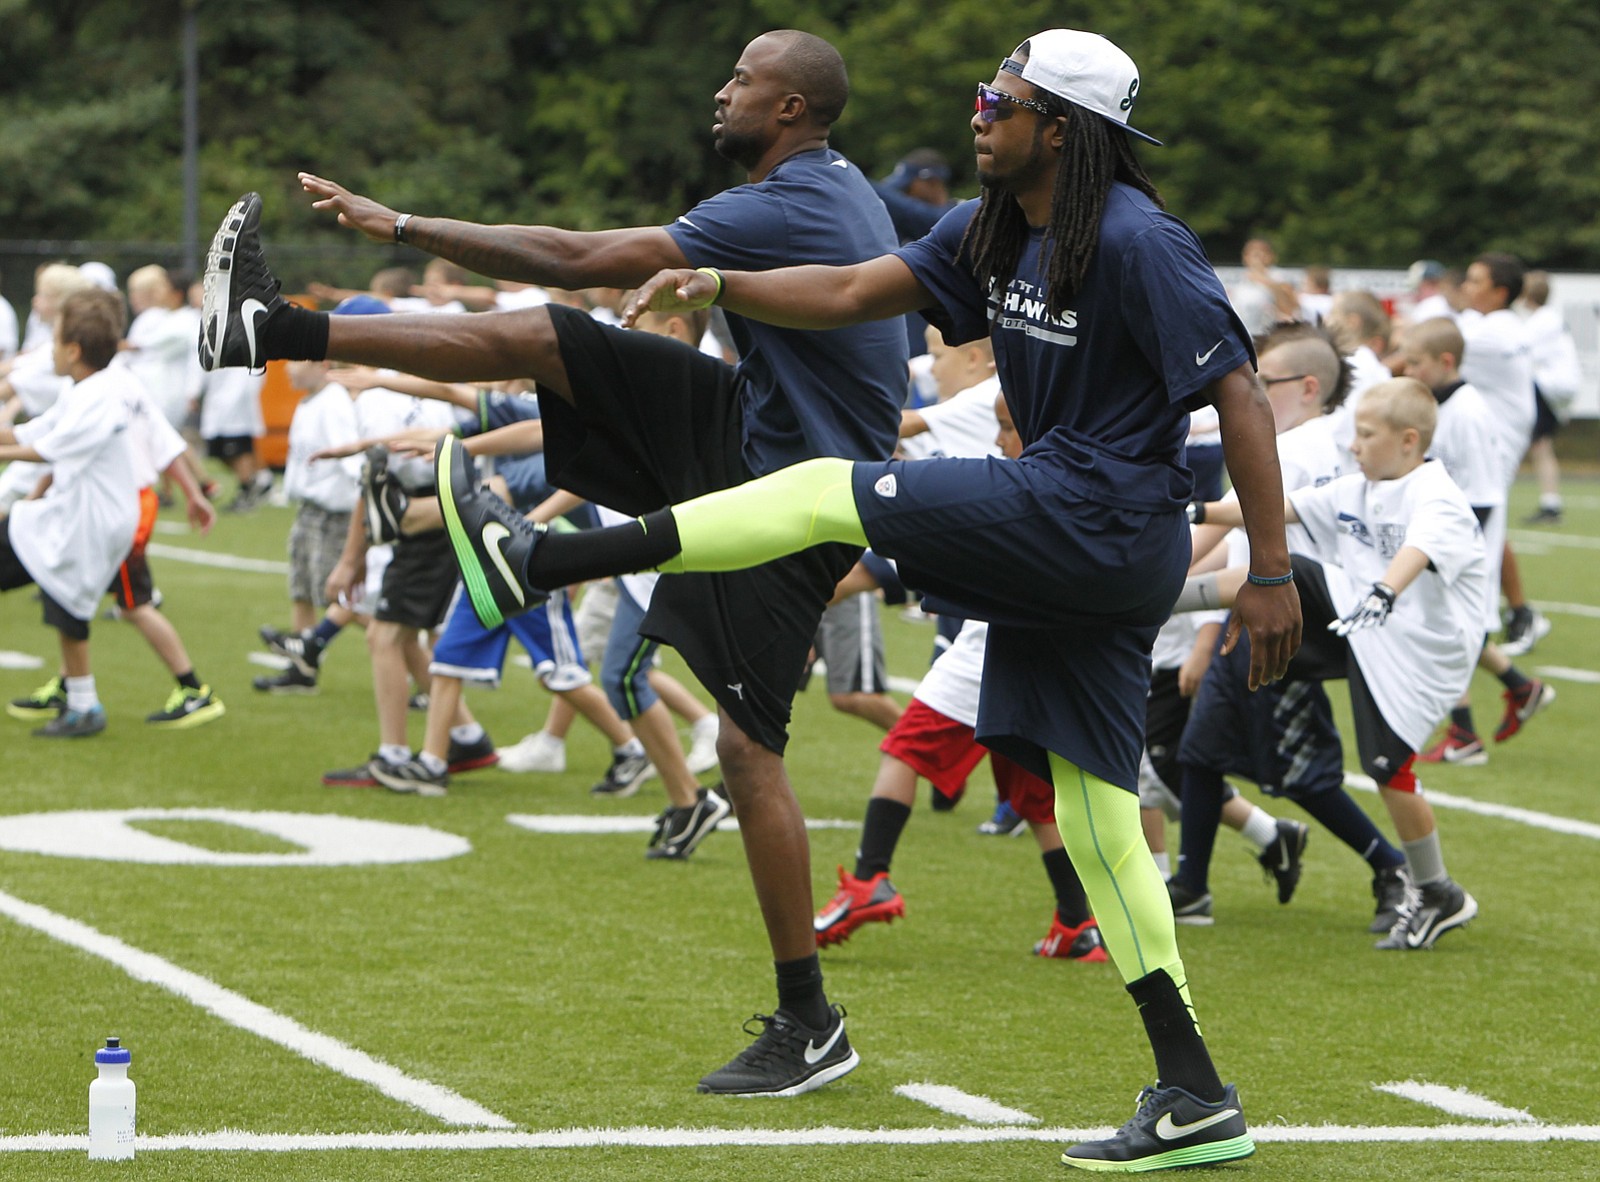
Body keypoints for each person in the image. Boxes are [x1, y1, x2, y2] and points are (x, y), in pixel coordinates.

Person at [428, 29, 1299, 1170]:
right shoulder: (992, 226)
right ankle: (1193, 1092)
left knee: (823, 489)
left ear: (1063, 130)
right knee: (1096, 821)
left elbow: (1236, 395)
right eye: (982, 89)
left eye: (1002, 97)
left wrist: (1271, 573)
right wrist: (718, 280)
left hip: (1095, 523)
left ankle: (534, 567)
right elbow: (843, 289)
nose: (977, 110)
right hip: (1070, 533)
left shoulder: (1139, 239)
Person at [202, 30, 910, 1100]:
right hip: (753, 431)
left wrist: (398, 223)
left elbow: (580, 255)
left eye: (743, 80)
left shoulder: (785, 202)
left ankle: (809, 1021)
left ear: (791, 112)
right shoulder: (827, 185)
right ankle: (276, 328)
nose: (722, 92)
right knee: (543, 338)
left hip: (795, 494)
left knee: (748, 749)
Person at [815, 393, 1106, 962]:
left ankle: (871, 878)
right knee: (1035, 792)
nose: (998, 441)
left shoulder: (1018, 487)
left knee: (903, 750)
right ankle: (1076, 923)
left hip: (990, 652)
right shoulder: (1070, 484)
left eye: (1006, 429)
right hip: (1039, 657)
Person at [1195, 378, 1482, 952]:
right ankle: (1151, 601)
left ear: (1407, 440)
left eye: (1367, 435)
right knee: (1288, 572)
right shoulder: (1361, 486)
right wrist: (1195, 507)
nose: (1354, 445)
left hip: (1416, 649)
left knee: (1387, 768)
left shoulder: (1434, 492)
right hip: (1363, 620)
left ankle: (1436, 891)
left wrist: (1383, 591)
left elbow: (1416, 550)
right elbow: (1279, 507)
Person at [1171, 327, 1411, 932]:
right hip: (1250, 617)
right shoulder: (1303, 441)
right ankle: (1192, 886)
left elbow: (1222, 530)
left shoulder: (1295, 449)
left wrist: (1154, 583)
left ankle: (1393, 867)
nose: (1247, 391)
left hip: (1282, 625)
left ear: (1307, 388)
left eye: (1263, 382)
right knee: (1199, 754)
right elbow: (1225, 535)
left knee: (1302, 770)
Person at [1396, 318, 1554, 765]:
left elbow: (1483, 497)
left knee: (1442, 634)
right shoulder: (1440, 406)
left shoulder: (1468, 412)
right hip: (1444, 541)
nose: (1406, 368)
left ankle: (1464, 733)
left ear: (1445, 362)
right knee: (1448, 633)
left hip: (1460, 550)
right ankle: (1520, 689)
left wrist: (1441, 550)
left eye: (1415, 362)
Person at [0, 289, 141, 736]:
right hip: (81, 516)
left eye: (54, 340)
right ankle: (83, 705)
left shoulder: (98, 394)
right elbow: (38, 429)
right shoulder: (88, 387)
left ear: (73, 350)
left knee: (65, 597)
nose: (50, 350)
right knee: (65, 602)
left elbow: (47, 448)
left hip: (90, 520)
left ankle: (84, 707)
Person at [1516, 271, 1582, 525]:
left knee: (1537, 444)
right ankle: (1550, 502)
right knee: (1541, 445)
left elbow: (1520, 352)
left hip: (1548, 387)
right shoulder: (1547, 319)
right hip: (1554, 389)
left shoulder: (1539, 322)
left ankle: (1551, 504)